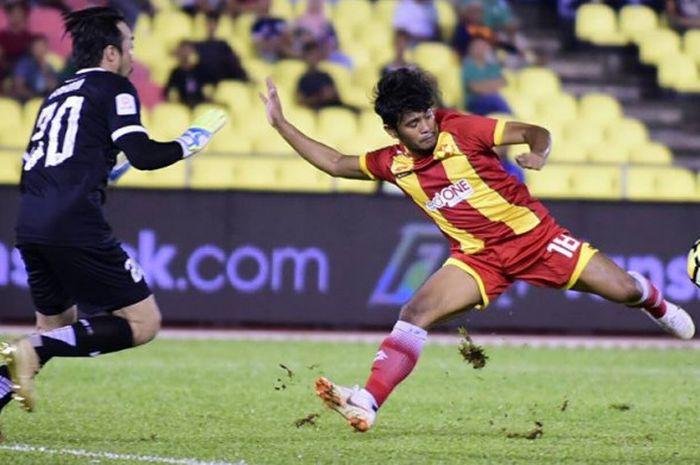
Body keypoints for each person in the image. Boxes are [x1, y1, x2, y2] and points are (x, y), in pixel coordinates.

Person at [259, 67, 696, 433]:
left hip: (536, 239)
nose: (426, 127)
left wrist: (538, 154)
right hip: (477, 259)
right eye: (413, 124)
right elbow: (335, 163)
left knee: (623, 290)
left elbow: (532, 131)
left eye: (427, 116)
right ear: (393, 131)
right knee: (414, 313)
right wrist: (281, 125)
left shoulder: (462, 130)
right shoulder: (393, 163)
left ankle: (656, 305)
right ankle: (367, 401)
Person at [0, 7, 226, 415]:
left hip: (30, 219)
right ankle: (29, 349)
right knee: (143, 323)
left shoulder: (57, 94)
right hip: (74, 221)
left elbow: (48, 161)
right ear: (110, 53)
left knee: (55, 328)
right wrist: (187, 143)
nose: (132, 56)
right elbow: (143, 155)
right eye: (130, 46)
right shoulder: (115, 88)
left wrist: (103, 171)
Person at [12, 34, 58, 101]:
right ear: (31, 48)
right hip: (29, 100)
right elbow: (19, 87)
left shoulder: (51, 63)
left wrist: (46, 71)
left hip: (47, 99)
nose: (39, 50)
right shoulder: (24, 64)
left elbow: (55, 87)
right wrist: (35, 97)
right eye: (36, 47)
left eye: (42, 46)